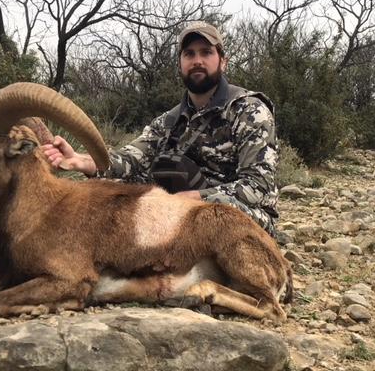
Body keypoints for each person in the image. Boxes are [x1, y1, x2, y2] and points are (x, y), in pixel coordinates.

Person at [43, 21, 279, 236]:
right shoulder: (168, 121)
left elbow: (257, 185)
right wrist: (84, 161)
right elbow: (130, 159)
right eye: (189, 54)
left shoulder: (249, 110)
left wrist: (195, 199)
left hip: (239, 215)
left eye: (206, 52)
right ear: (180, 63)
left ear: (223, 61)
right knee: (109, 195)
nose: (197, 60)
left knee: (195, 218)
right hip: (180, 211)